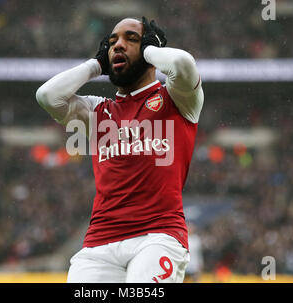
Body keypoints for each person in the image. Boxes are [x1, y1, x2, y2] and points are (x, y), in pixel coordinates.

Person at [35, 16, 204, 283]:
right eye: (112, 42)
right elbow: (48, 96)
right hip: (100, 244)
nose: (118, 46)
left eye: (131, 39)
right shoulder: (99, 112)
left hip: (157, 237)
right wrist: (97, 64)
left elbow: (183, 64)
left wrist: (149, 51)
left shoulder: (177, 99)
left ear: (151, 48)